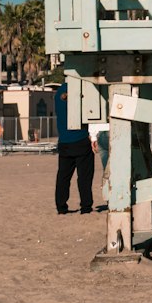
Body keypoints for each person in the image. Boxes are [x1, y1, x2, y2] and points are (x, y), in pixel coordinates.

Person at [54, 81, 95, 216]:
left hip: (64, 141)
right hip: (81, 139)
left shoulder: (59, 92)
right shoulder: (81, 90)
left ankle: (61, 206)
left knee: (63, 177)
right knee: (84, 177)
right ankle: (86, 206)